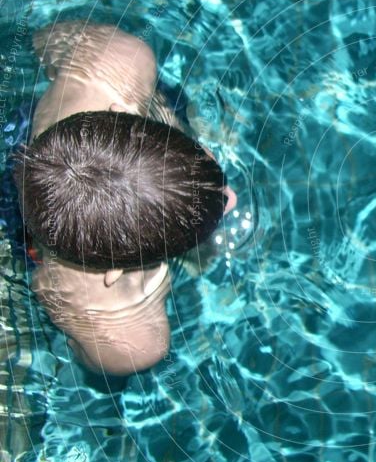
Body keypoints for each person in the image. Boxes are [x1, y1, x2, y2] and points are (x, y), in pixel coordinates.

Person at [12, 21, 237, 376]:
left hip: (37, 133)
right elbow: (103, 354)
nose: (233, 199)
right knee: (136, 348)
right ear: (114, 272)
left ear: (121, 113)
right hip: (26, 231)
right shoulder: (96, 301)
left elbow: (34, 40)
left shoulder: (116, 60)